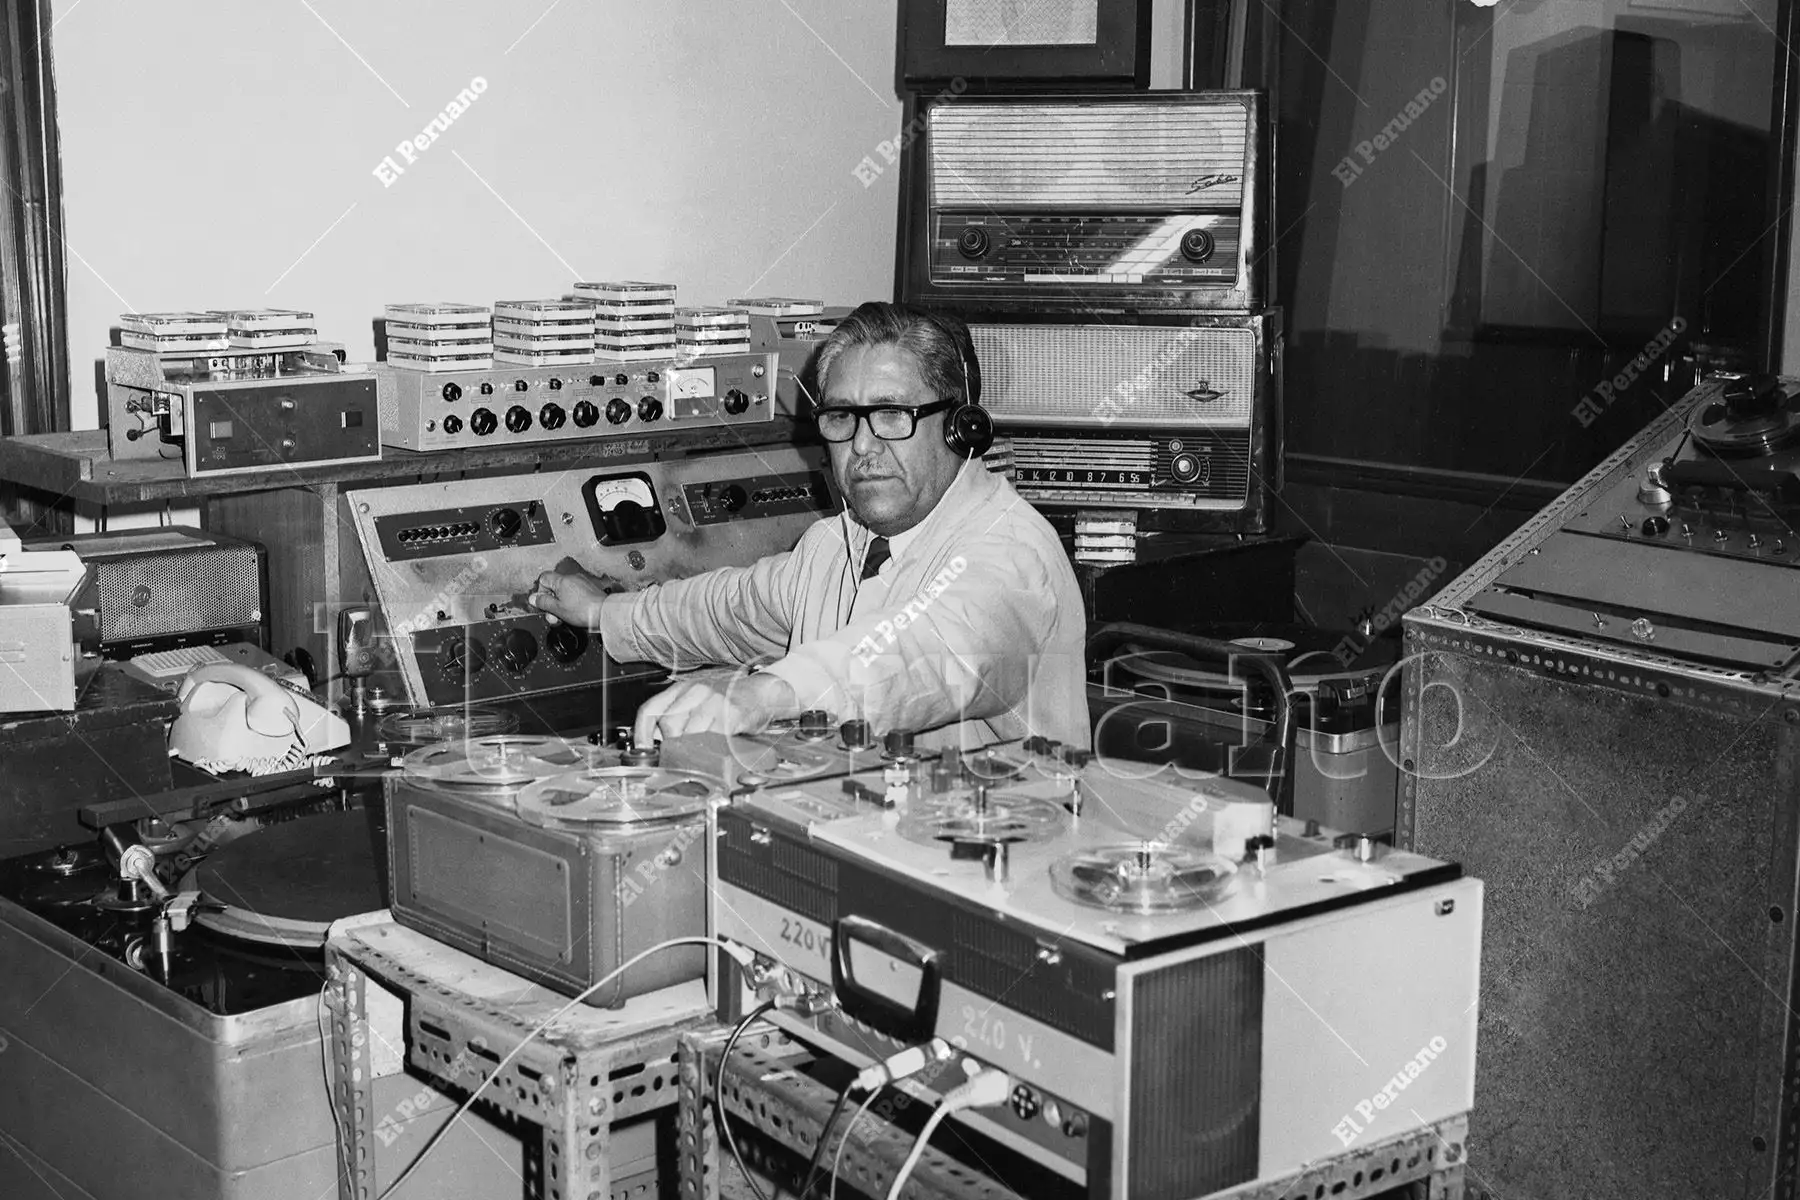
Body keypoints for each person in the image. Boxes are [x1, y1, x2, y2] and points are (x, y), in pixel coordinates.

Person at [529, 301, 1088, 751]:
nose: (863, 447)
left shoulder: (1010, 552)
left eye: (893, 415)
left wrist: (768, 695)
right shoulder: (836, 545)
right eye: (842, 417)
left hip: (983, 866)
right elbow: (727, 609)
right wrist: (602, 612)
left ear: (960, 427)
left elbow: (929, 653)